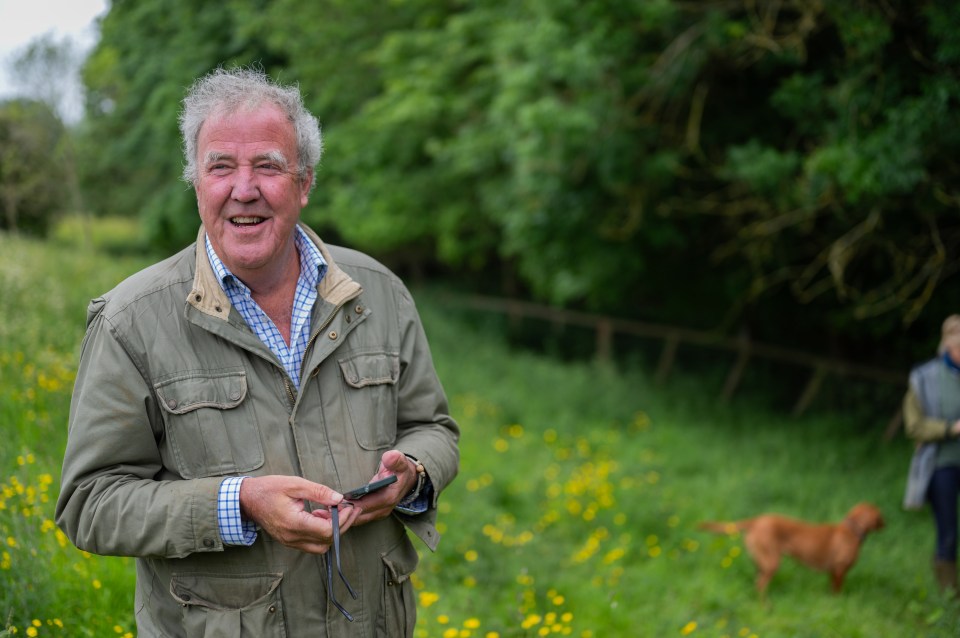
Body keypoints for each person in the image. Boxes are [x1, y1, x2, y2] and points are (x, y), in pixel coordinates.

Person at [55, 66, 460, 636]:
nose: (244, 189)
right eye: (221, 166)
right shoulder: (130, 321)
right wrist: (239, 502)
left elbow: (434, 428)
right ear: (196, 181)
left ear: (305, 182)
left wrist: (411, 475)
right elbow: (90, 504)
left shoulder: (381, 293)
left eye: (268, 165)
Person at [903, 314, 960, 594]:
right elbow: (914, 426)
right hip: (941, 466)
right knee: (948, 532)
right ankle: (950, 598)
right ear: (948, 346)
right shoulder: (924, 377)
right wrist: (951, 428)